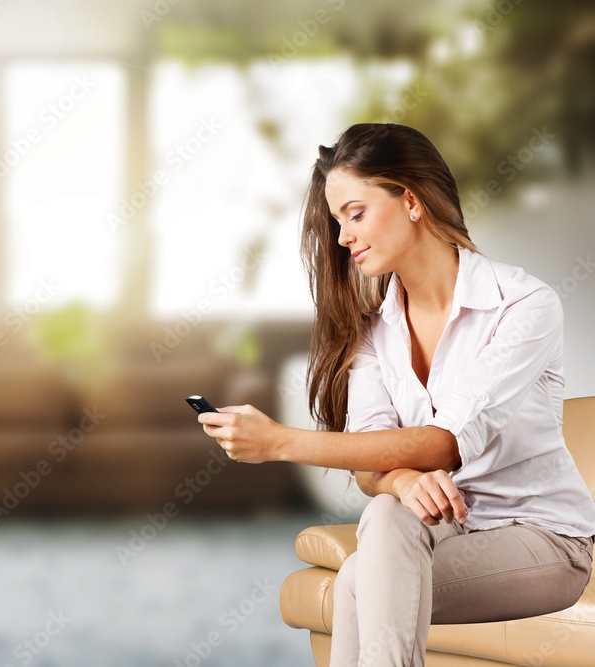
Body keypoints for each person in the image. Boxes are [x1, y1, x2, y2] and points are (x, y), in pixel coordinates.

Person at [197, 122, 595, 666]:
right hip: (444, 532)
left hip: (544, 542)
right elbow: (371, 461)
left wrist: (279, 443)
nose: (342, 238)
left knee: (363, 576)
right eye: (337, 222)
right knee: (385, 515)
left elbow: (443, 444)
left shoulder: (523, 306)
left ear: (410, 201)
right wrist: (403, 478)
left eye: (356, 214)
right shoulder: (372, 331)